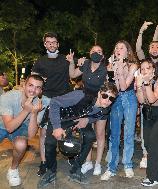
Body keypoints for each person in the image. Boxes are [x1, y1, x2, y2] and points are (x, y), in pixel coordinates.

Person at [37, 82, 118, 187]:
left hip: (77, 118)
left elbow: (97, 116)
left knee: (90, 136)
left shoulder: (105, 108)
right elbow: (54, 102)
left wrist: (88, 119)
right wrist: (57, 127)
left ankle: (75, 169)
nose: (107, 100)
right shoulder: (81, 95)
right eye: (105, 96)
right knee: (50, 143)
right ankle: (51, 171)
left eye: (111, 99)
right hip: (59, 116)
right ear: (99, 93)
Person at [32, 32, 72, 176]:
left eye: (54, 42)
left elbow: (76, 72)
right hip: (46, 99)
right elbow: (34, 81)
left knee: (66, 131)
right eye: (48, 42)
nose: (51, 44)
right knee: (43, 133)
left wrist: (77, 62)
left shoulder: (66, 60)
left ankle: (71, 156)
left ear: (58, 44)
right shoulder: (40, 61)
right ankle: (44, 162)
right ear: (45, 45)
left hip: (64, 100)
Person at [135, 21, 158, 168]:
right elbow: (138, 47)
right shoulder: (147, 61)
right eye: (152, 46)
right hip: (146, 95)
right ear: (149, 49)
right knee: (147, 126)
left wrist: (157, 32)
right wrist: (141, 31)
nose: (155, 48)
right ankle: (146, 154)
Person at [0, 75, 49, 187]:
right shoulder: (8, 97)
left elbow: (31, 135)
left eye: (37, 87)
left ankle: (13, 170)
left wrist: (34, 112)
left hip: (21, 127)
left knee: (22, 143)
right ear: (24, 85)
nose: (33, 90)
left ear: (41, 90)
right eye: (30, 85)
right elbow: (9, 127)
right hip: (3, 124)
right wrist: (27, 110)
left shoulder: (40, 104)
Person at [66, 45, 108, 175]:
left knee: (100, 134)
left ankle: (97, 164)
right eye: (94, 51)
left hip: (102, 102)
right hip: (86, 103)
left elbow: (111, 86)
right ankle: (88, 161)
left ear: (103, 55)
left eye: (99, 51)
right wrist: (72, 62)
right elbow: (72, 75)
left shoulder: (106, 68)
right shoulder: (85, 64)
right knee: (87, 134)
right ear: (89, 53)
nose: (96, 53)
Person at [101, 40, 138, 180]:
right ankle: (111, 167)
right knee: (114, 134)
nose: (118, 49)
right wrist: (113, 70)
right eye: (116, 47)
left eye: (121, 47)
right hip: (116, 100)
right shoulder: (111, 65)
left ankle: (128, 164)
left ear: (127, 51)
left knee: (129, 133)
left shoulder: (133, 65)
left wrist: (121, 70)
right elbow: (113, 88)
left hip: (129, 98)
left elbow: (124, 87)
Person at [136, 59, 158, 187]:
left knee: (154, 139)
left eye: (148, 68)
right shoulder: (140, 81)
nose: (144, 71)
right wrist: (139, 86)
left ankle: (154, 177)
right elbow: (141, 100)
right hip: (148, 113)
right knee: (149, 143)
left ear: (153, 70)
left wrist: (145, 84)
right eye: (142, 69)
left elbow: (151, 99)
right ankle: (157, 163)